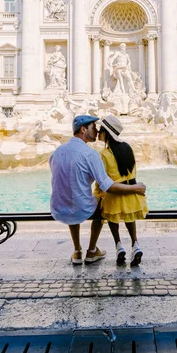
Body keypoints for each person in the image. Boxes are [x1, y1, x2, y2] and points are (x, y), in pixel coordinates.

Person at [49, 114, 146, 265]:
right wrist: (135, 188)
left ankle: (77, 251)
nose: (96, 131)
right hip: (82, 208)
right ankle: (92, 250)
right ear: (83, 129)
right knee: (101, 202)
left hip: (58, 208)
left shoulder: (57, 151)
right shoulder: (92, 154)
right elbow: (107, 185)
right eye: (93, 128)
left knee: (74, 195)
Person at [95, 115, 148, 266]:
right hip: (132, 194)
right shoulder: (127, 147)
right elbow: (133, 172)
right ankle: (135, 244)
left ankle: (118, 246)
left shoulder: (104, 154)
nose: (98, 132)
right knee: (129, 218)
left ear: (106, 133)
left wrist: (97, 195)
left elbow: (102, 179)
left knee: (112, 219)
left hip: (113, 195)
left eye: (101, 130)